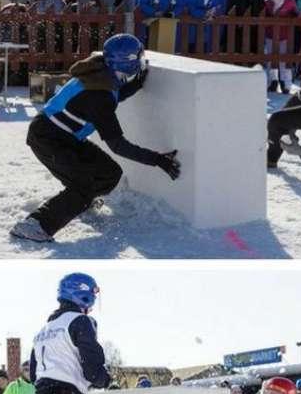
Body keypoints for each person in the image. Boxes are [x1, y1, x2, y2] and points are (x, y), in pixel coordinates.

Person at [10, 34, 180, 243]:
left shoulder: (99, 72)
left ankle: (80, 202)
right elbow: (118, 144)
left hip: (65, 137)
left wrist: (135, 85)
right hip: (48, 139)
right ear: (126, 62)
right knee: (83, 186)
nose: (141, 61)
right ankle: (35, 225)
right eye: (138, 57)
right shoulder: (98, 95)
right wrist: (158, 159)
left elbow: (110, 96)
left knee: (110, 173)